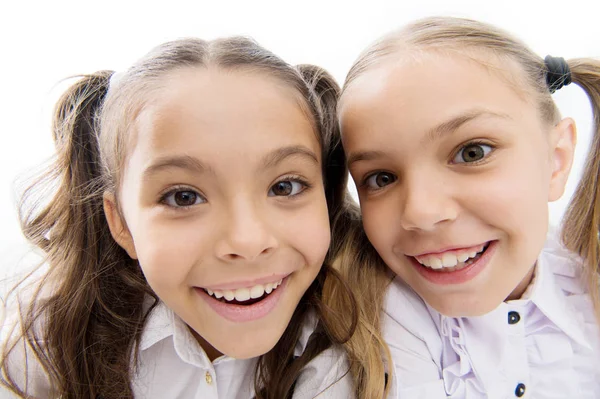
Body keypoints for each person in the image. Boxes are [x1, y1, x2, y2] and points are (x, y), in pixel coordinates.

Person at [0, 36, 360, 399]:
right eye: (183, 197)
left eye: (285, 187)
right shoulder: (49, 335)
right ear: (121, 223)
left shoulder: (356, 342)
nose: (247, 242)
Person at [338, 16, 600, 397]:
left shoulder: (586, 289)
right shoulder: (376, 325)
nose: (421, 212)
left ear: (556, 160)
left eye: (472, 153)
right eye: (381, 178)